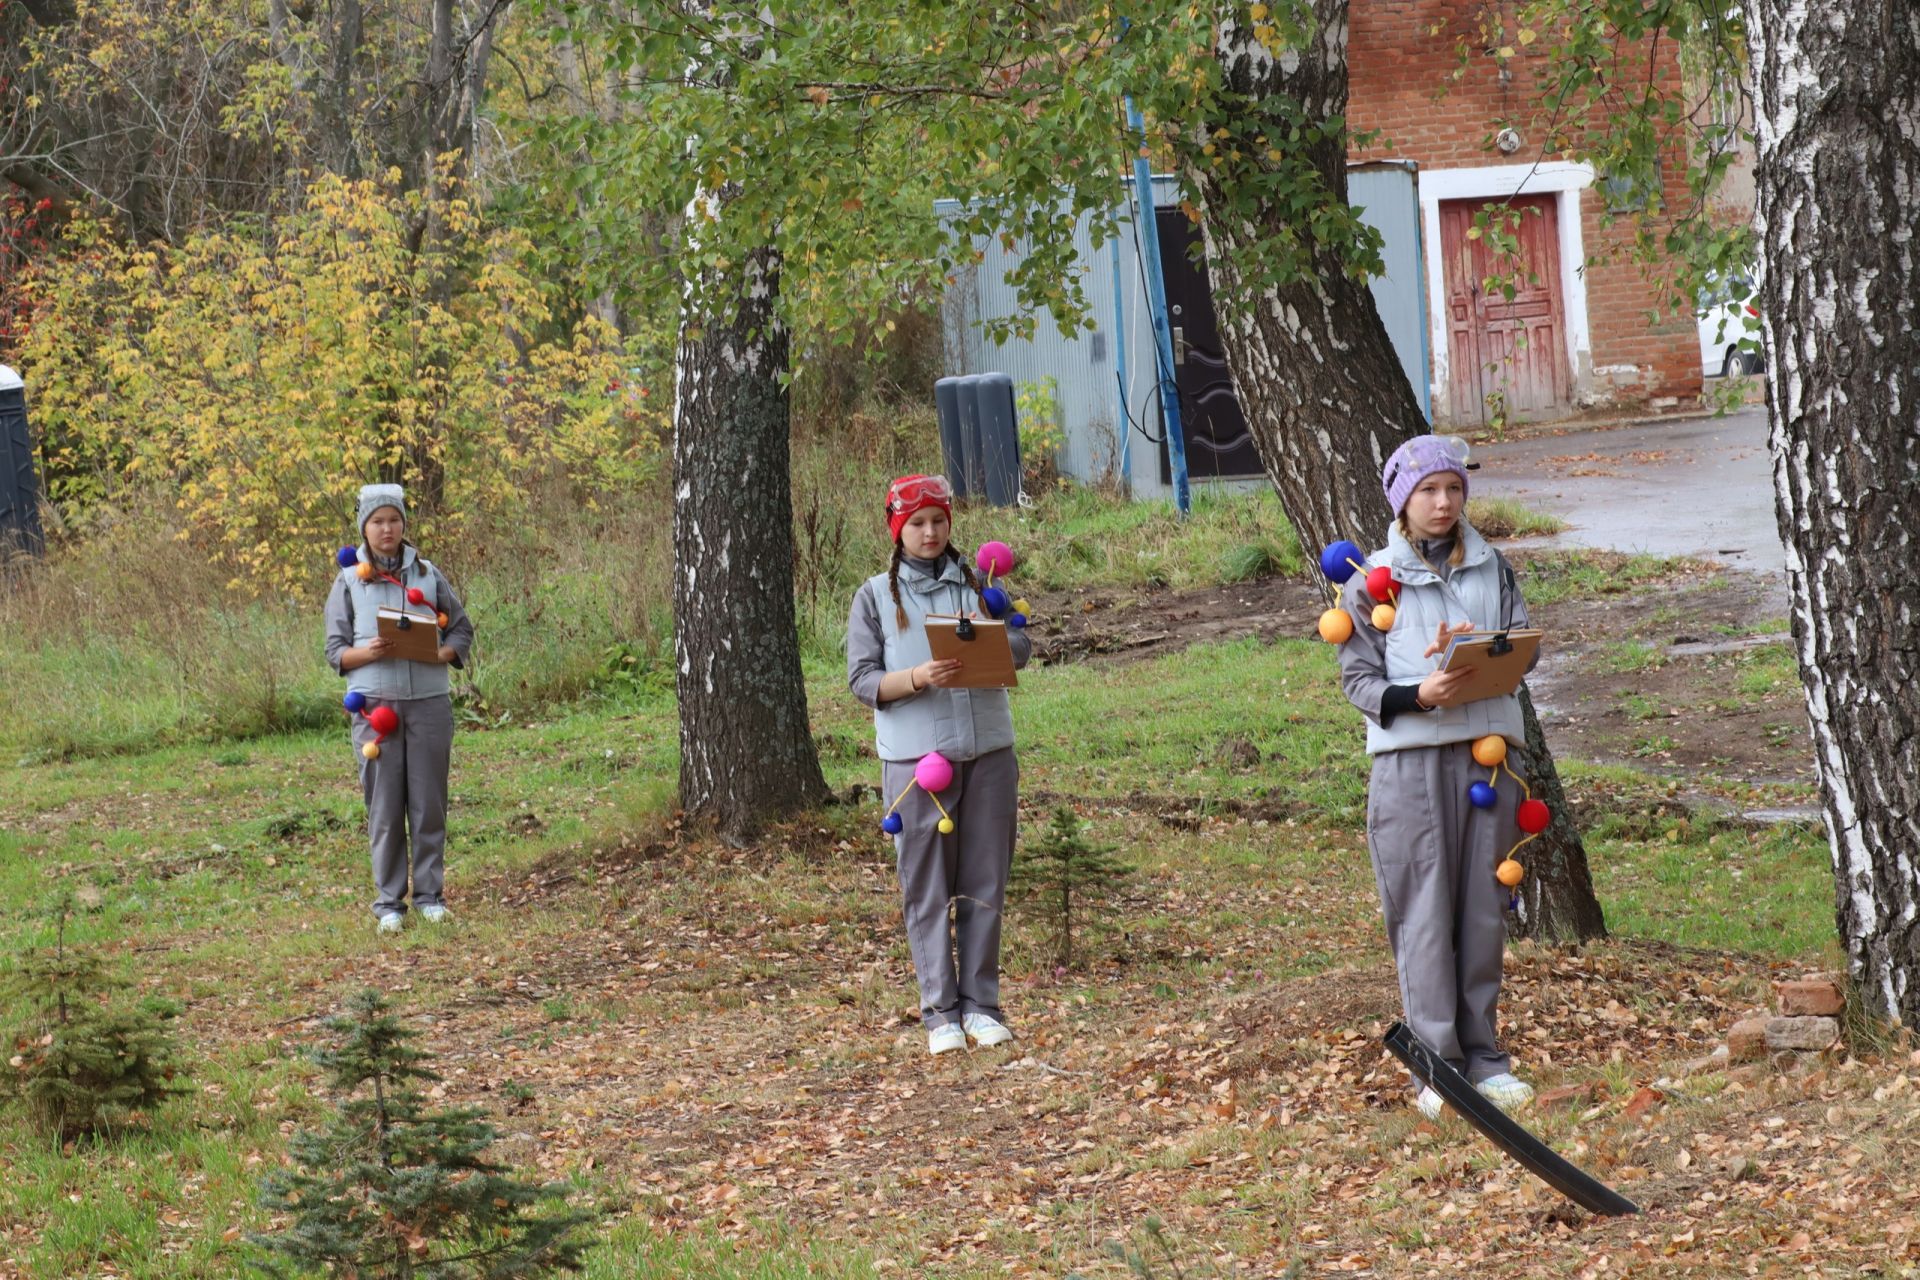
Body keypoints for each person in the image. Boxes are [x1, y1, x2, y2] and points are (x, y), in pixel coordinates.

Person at [1337, 435, 1538, 1119]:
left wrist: (1484, 654)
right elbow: (1358, 681)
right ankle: (1438, 1067)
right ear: (1402, 499)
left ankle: (1484, 1058)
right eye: (1428, 491)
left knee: (1483, 911)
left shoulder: (1493, 566)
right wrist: (1419, 694)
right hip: (1410, 764)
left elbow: (1518, 645)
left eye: (1454, 488)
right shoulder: (1370, 581)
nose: (1444, 502)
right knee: (1423, 913)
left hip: (1489, 759)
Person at [847, 474, 1032, 1055]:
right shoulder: (875, 596)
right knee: (927, 889)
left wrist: (1002, 628)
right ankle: (940, 1014)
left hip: (988, 755)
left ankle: (981, 1007)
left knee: (984, 884)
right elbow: (861, 680)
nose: (929, 533)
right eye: (916, 524)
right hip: (917, 765)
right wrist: (917, 679)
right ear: (897, 530)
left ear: (950, 524)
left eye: (938, 521)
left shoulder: (981, 585)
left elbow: (1021, 652)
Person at [324, 484, 474, 935]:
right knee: (385, 809)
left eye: (393, 520)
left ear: (404, 524)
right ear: (363, 529)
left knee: (429, 805)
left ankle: (430, 896)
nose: (386, 529)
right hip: (375, 711)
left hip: (428, 704)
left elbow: (461, 630)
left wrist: (441, 654)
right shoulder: (349, 580)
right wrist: (369, 652)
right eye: (376, 522)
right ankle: (390, 903)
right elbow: (335, 652)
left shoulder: (428, 573)